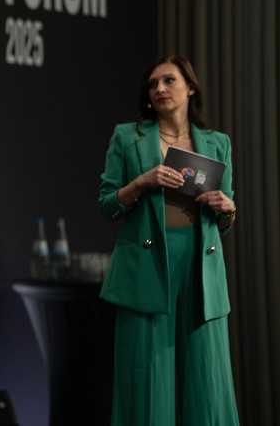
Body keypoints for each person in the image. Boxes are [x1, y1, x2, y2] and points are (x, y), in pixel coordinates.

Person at [98, 55, 239, 425]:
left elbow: (223, 221)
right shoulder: (127, 137)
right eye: (152, 84)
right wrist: (142, 182)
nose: (159, 88)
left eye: (168, 80)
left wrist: (228, 208)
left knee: (207, 382)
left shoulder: (217, 143)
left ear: (190, 87)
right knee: (146, 379)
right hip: (146, 268)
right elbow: (107, 204)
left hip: (200, 269)